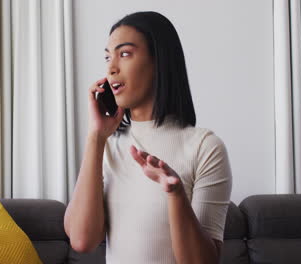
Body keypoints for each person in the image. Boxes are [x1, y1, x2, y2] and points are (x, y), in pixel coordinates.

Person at [64, 11, 232, 264]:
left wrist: (175, 195)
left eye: (125, 54)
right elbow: (82, 240)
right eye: (108, 57)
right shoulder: (107, 147)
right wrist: (96, 137)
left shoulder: (205, 147)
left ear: (159, 62)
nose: (111, 67)